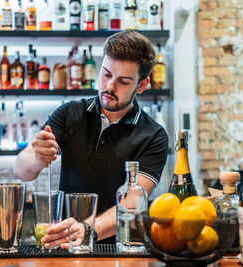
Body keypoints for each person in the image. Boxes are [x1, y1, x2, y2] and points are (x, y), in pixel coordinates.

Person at [14, 30, 169, 249]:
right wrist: (38, 157)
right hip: (65, 245)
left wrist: (87, 229)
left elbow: (133, 202)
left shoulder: (153, 136)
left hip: (120, 250)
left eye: (123, 82)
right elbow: (21, 170)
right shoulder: (69, 114)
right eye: (106, 74)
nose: (109, 87)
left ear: (142, 85)